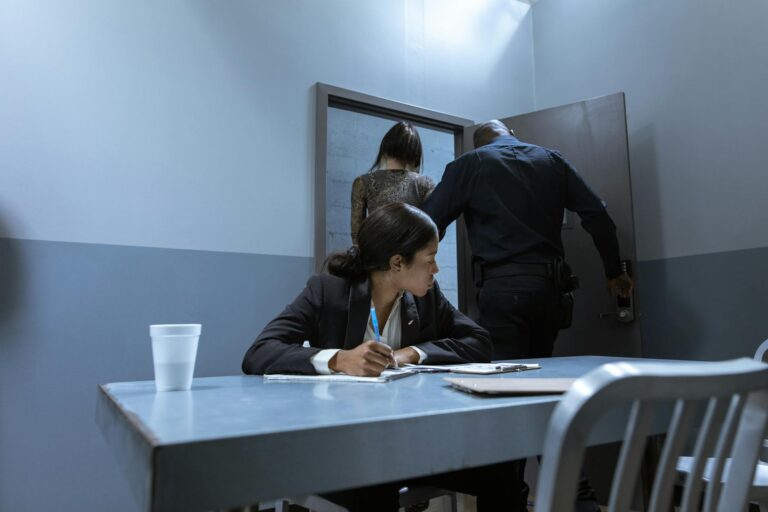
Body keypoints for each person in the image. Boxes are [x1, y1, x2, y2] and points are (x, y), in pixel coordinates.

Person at [242, 203, 524, 512]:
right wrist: (339, 360)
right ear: (397, 262)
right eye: (430, 259)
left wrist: (412, 353)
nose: (436, 270)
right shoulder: (327, 291)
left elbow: (478, 340)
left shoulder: (427, 297)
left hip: (407, 443)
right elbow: (260, 352)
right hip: (342, 446)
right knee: (375, 483)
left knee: (500, 469)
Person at [421, 120, 634, 511]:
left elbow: (426, 223)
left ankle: (511, 501)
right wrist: (613, 271)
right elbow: (598, 215)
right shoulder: (551, 160)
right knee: (537, 396)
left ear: (478, 142)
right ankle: (579, 498)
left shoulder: (470, 164)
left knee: (507, 405)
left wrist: (415, 281)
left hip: (503, 295)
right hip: (550, 295)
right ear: (513, 134)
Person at [350, 121, 434, 245]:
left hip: (376, 254)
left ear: (385, 147)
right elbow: (434, 228)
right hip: (412, 255)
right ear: (415, 153)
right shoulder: (425, 183)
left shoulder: (362, 182)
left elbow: (356, 234)